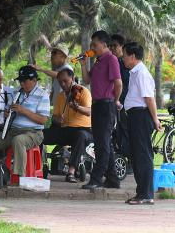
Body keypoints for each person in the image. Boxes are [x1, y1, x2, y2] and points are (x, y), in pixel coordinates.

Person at [0, 65, 51, 186]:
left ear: (34, 80)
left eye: (24, 81)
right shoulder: (16, 92)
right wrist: (7, 113)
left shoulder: (42, 95)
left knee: (18, 140)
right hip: (12, 131)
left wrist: (23, 111)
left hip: (33, 133)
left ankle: (19, 178)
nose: (22, 84)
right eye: (20, 81)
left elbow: (43, 120)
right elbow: (8, 110)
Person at [80, 30, 124, 191]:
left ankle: (96, 178)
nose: (92, 47)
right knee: (103, 143)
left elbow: (118, 83)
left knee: (102, 144)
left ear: (104, 44)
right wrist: (83, 64)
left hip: (106, 104)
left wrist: (115, 100)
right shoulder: (98, 60)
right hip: (97, 104)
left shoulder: (111, 59)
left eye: (95, 44)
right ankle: (113, 179)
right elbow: (87, 80)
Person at [122, 41, 162, 205]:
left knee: (143, 155)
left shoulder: (142, 73)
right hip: (135, 116)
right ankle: (142, 193)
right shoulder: (135, 73)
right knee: (137, 155)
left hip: (141, 116)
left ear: (132, 56)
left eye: (125, 55)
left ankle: (146, 194)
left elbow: (149, 98)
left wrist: (155, 119)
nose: (123, 58)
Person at [41, 68, 93, 182]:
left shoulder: (83, 92)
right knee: (39, 135)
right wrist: (57, 119)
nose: (63, 84)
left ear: (72, 78)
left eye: (65, 81)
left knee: (80, 136)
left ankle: (71, 172)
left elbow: (89, 111)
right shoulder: (60, 96)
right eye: (60, 82)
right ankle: (39, 166)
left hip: (82, 129)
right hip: (64, 129)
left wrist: (77, 107)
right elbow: (54, 117)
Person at [109, 34, 131, 155]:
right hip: (113, 102)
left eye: (115, 46)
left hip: (125, 103)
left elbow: (123, 84)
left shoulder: (126, 64)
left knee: (125, 130)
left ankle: (128, 158)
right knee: (116, 131)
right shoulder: (111, 62)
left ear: (122, 47)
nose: (112, 48)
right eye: (110, 46)